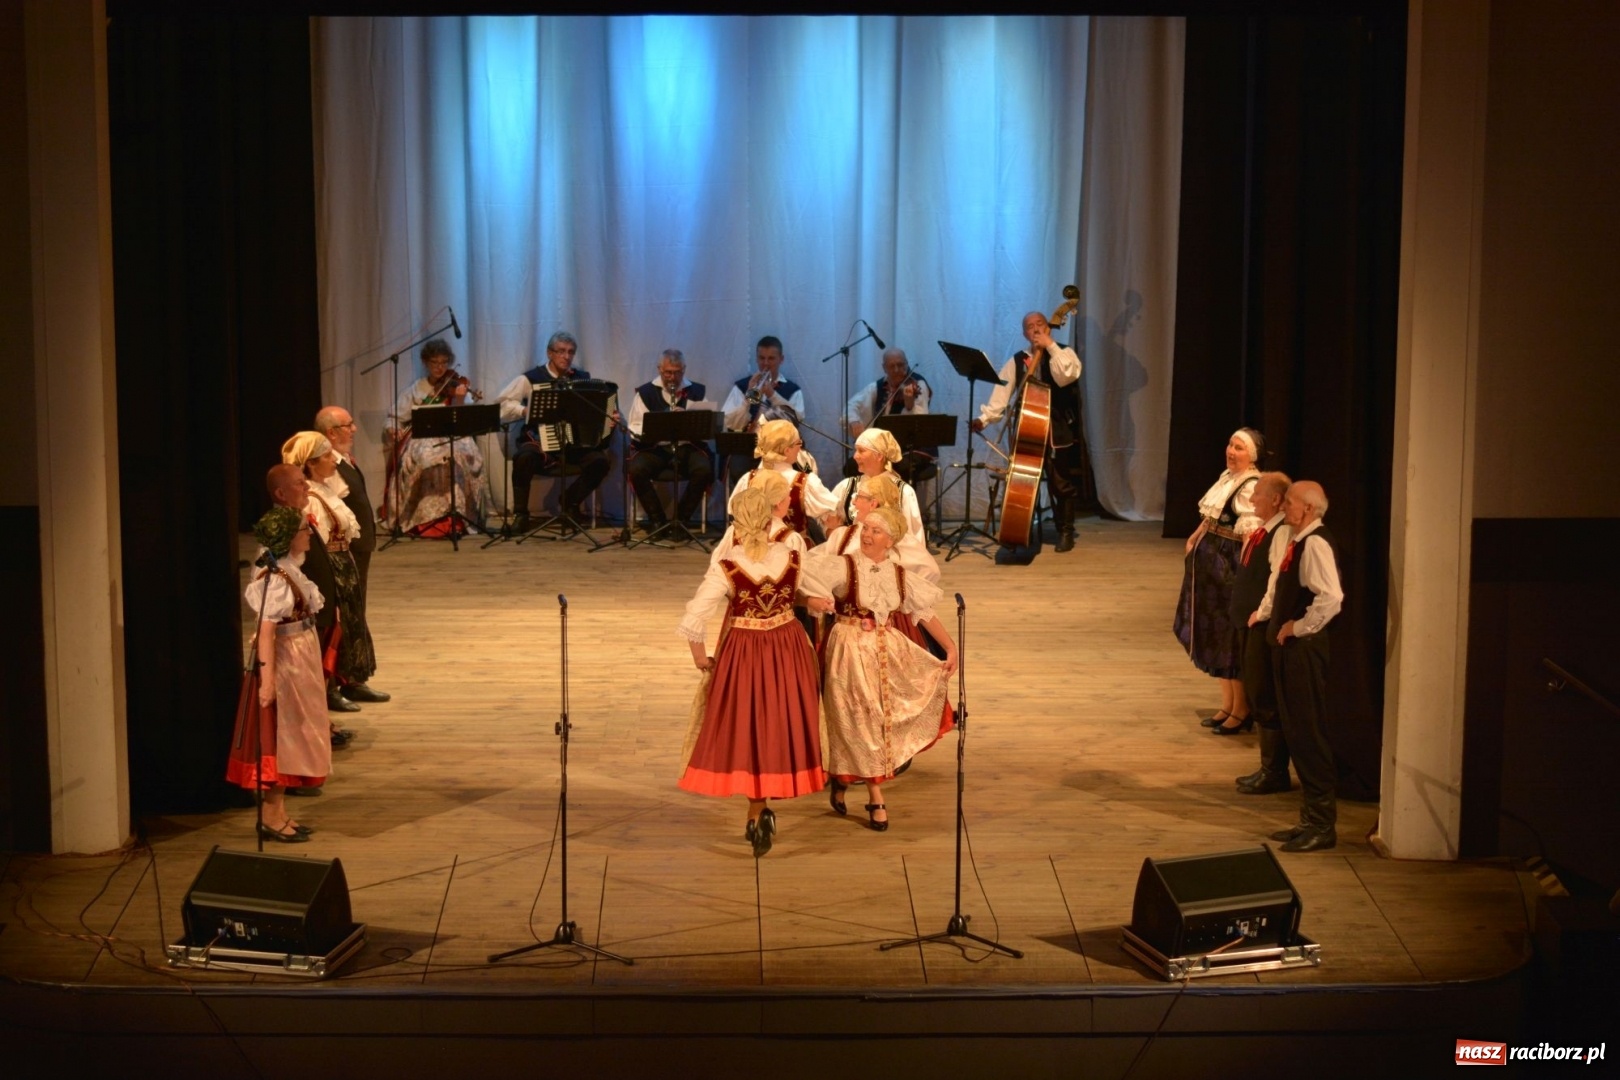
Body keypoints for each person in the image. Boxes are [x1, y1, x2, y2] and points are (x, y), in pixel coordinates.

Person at [677, 487, 833, 857]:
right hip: (788, 646)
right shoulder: (792, 554)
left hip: (744, 650)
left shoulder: (727, 565)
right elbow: (795, 591)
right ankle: (761, 805)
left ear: (736, 524)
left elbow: (694, 619)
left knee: (749, 725)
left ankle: (757, 806)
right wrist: (810, 600)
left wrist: (700, 659)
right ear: (768, 521)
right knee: (779, 723)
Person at [808, 507, 959, 832]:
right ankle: (876, 797)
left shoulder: (898, 575)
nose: (867, 534)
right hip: (848, 651)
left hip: (884, 653)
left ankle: (843, 779)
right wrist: (811, 600)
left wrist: (950, 647)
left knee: (875, 721)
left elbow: (923, 612)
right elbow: (805, 579)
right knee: (856, 719)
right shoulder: (845, 566)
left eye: (876, 531)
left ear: (890, 541)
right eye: (866, 528)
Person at [226, 506, 331, 842]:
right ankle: (271, 817)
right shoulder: (274, 579)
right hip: (285, 663)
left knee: (296, 736)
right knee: (282, 737)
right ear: (288, 537)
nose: (309, 533)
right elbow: (267, 630)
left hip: (299, 657)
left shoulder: (287, 569)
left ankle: (279, 811)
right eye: (304, 529)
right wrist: (268, 682)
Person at [1254, 480, 1344, 852]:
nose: (1284, 506)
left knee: (1309, 734)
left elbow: (1331, 597)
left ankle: (1322, 825)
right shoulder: (1299, 540)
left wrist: (1299, 626)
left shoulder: (1316, 543)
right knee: (1297, 732)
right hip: (1291, 652)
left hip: (1304, 653)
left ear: (1307, 508)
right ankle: (1309, 819)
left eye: (1289, 501)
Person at [283, 431, 385, 712]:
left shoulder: (327, 489)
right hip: (329, 566)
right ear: (311, 463)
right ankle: (328, 688)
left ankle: (350, 680)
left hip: (344, 563)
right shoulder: (311, 497)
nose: (333, 460)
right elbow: (316, 541)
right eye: (327, 456)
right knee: (332, 627)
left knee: (351, 623)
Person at [1172, 428, 1265, 733]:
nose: (1231, 451)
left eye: (1239, 448)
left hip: (1228, 571)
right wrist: (1195, 537)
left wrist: (1247, 575)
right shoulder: (1228, 478)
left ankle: (1242, 709)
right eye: (1230, 445)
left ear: (1252, 456)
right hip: (1211, 570)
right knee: (1216, 636)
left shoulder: (1251, 486)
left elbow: (1251, 535)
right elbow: (1211, 517)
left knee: (1229, 638)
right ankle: (1227, 704)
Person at [970, 311, 1084, 552]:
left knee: (1060, 484)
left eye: (1040, 324)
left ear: (1048, 327)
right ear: (1024, 333)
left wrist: (1050, 345)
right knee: (1022, 486)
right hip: (1026, 433)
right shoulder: (1017, 360)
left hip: (1055, 432)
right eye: (1030, 326)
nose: (1035, 329)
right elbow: (1001, 395)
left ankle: (1065, 531)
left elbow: (1065, 377)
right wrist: (984, 419)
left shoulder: (1064, 353)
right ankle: (1020, 533)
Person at [495, 331, 620, 531]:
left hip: (575, 445)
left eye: (570, 352)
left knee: (600, 462)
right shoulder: (531, 379)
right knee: (523, 458)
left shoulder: (582, 379)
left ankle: (569, 501)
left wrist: (607, 420)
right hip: (539, 442)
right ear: (550, 353)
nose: (566, 356)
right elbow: (501, 407)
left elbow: (593, 412)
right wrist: (525, 410)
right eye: (561, 351)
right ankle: (521, 515)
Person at [267, 463, 353, 738]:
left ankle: (321, 726)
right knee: (303, 681)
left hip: (317, 609)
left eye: (304, 481)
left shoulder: (298, 516)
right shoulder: (280, 527)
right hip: (298, 621)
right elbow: (280, 576)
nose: (306, 487)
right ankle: (311, 732)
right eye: (298, 483)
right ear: (281, 493)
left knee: (316, 674)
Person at [385, 338, 494, 536]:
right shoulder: (416, 389)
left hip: (455, 435)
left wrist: (459, 399)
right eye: (434, 362)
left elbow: (467, 418)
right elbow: (394, 418)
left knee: (463, 458)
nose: (440, 367)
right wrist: (394, 429)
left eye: (444, 362)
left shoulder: (456, 384)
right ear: (426, 362)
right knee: (426, 460)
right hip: (423, 436)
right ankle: (426, 518)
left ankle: (458, 518)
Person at [1229, 472, 1292, 786]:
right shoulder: (1264, 530)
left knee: (1264, 695)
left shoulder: (1281, 532)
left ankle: (1274, 772)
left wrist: (1262, 613)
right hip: (1248, 623)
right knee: (1256, 692)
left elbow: (1277, 578)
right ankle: (1269, 769)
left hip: (1260, 626)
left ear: (1276, 500)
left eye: (1258, 494)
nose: (1252, 499)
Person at [625, 349, 715, 532]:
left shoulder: (696, 391)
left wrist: (688, 418)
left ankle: (681, 521)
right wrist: (659, 423)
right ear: (659, 369)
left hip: (686, 447)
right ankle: (657, 520)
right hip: (656, 448)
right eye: (668, 373)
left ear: (684, 369)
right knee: (636, 469)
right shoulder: (645, 393)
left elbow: (708, 424)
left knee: (703, 469)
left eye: (677, 372)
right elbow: (634, 426)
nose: (672, 378)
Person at [827, 428, 934, 575]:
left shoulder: (902, 491)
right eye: (856, 450)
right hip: (850, 568)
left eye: (861, 451)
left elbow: (913, 538)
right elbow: (830, 522)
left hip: (889, 569)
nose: (855, 456)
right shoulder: (846, 486)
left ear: (879, 456)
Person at [726, 419, 837, 542]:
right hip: (793, 550)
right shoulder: (806, 482)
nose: (800, 448)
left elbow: (735, 515)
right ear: (787, 450)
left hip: (754, 550)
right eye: (798, 443)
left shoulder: (748, 479)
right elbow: (832, 520)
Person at [844, 347, 937, 484]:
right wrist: (854, 421)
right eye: (891, 366)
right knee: (851, 466)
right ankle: (868, 496)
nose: (897, 370)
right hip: (884, 448)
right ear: (884, 368)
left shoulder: (918, 384)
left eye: (901, 365)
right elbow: (851, 405)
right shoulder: (878, 386)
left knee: (901, 467)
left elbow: (919, 420)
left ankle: (899, 497)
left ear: (907, 363)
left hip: (913, 448)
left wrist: (909, 404)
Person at [720, 335, 806, 481]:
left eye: (771, 359)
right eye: (761, 358)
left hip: (780, 448)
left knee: (790, 471)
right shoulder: (742, 386)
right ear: (756, 358)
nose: (765, 364)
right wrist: (748, 397)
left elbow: (797, 419)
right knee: (738, 468)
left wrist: (772, 395)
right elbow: (730, 423)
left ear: (781, 359)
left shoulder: (793, 390)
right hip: (748, 447)